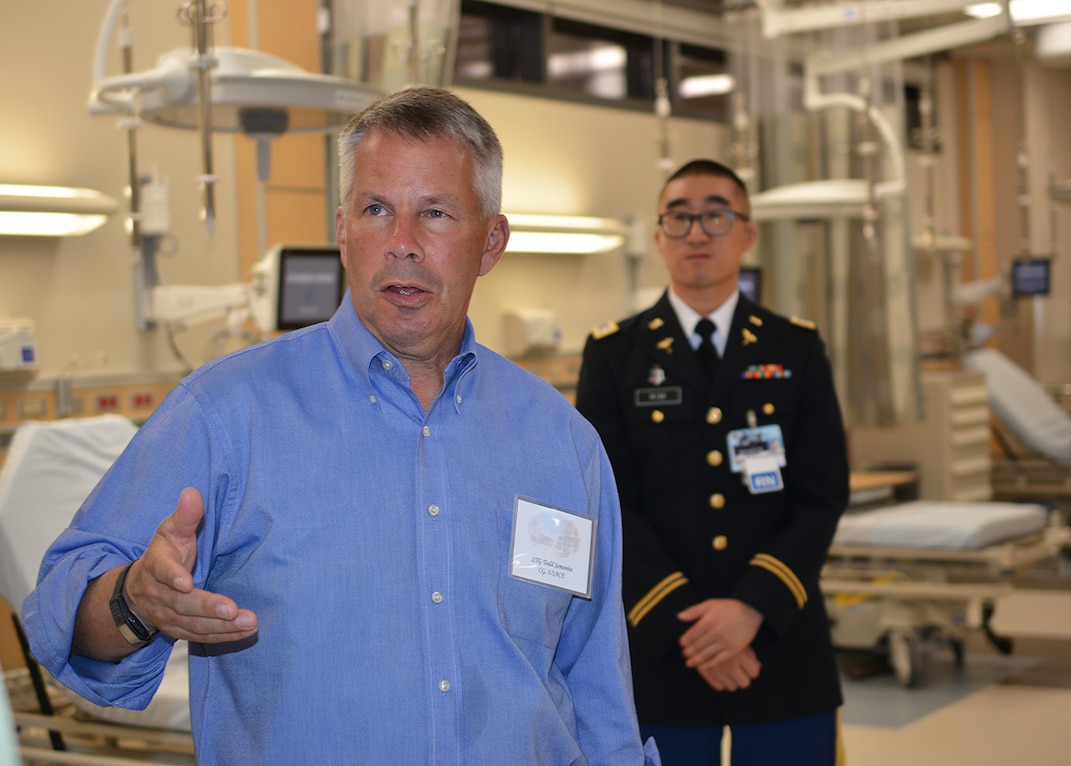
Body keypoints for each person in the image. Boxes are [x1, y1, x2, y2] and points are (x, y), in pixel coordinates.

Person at [23, 86, 658, 766]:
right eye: (376, 210)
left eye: (436, 214)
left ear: (491, 242)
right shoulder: (226, 415)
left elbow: (596, 685)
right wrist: (133, 602)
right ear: (342, 230)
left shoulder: (561, 442)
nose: (402, 244)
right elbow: (60, 614)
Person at [575, 159, 849, 766]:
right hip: (661, 648)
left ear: (747, 233)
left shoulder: (795, 347)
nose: (697, 232)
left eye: (716, 215)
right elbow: (607, 501)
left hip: (780, 637)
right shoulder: (615, 353)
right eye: (679, 218)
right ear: (658, 237)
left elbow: (821, 495)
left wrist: (752, 606)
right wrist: (691, 627)